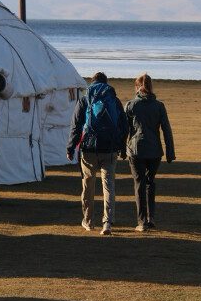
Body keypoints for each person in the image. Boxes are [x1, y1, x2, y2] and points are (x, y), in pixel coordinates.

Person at [67, 72, 127, 235]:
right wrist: (121, 146)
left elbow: (76, 125)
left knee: (88, 184)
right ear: (106, 83)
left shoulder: (85, 98)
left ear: (91, 83)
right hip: (109, 148)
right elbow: (123, 124)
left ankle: (88, 221)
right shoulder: (113, 99)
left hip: (89, 148)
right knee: (109, 186)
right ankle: (107, 222)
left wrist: (71, 147)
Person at [124, 73, 175, 232]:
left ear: (137, 87)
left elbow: (124, 130)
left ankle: (141, 222)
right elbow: (166, 130)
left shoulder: (131, 105)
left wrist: (121, 150)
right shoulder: (159, 106)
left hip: (136, 149)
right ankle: (151, 217)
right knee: (150, 183)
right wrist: (170, 152)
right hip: (154, 151)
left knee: (139, 183)